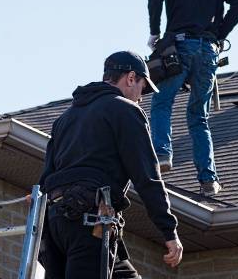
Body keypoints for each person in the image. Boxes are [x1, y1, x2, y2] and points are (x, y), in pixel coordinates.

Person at [38, 51, 183, 279]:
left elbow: (45, 178)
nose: (141, 97)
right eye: (143, 88)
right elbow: (147, 178)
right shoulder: (125, 110)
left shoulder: (65, 119)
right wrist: (169, 230)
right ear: (131, 77)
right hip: (89, 221)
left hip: (55, 223)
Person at [147, 0, 238, 196]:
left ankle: (162, 155)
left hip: (180, 47)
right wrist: (219, 33)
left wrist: (155, 31)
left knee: (162, 102)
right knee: (198, 117)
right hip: (208, 52)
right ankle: (209, 180)